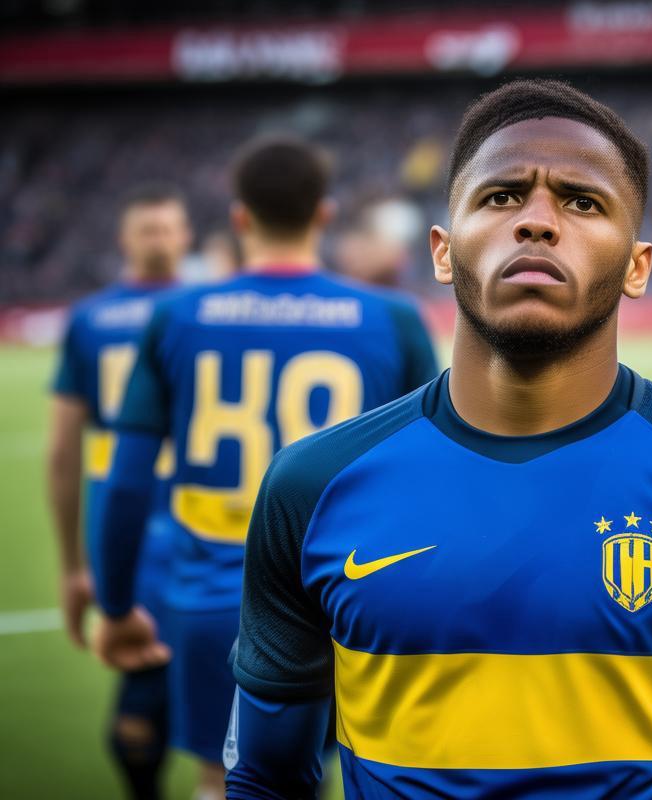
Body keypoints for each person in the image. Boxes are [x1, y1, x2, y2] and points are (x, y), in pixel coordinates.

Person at [223, 79, 652, 800]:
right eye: (501, 197)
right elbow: (264, 781)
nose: (536, 221)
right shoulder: (311, 486)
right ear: (443, 252)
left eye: (582, 202)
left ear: (637, 266)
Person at [90, 136, 439, 800]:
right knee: (337, 775)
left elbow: (126, 479)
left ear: (240, 217)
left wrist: (114, 604)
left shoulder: (177, 316)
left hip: (213, 601)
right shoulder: (393, 318)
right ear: (324, 214)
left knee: (226, 780)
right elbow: (432, 472)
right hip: (347, 598)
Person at [48, 183, 190, 800]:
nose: (158, 240)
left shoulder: (102, 318)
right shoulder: (199, 310)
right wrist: (73, 563)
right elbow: (63, 450)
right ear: (124, 239)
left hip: (190, 521)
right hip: (138, 523)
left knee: (146, 695)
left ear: (185, 236)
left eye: (167, 228)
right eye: (147, 229)